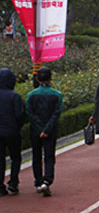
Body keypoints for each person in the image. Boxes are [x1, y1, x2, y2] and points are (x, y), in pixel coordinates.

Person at [26, 67, 62, 197]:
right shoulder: (57, 95)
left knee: (36, 156)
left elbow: (30, 113)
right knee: (49, 156)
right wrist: (46, 129)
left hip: (35, 130)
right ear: (51, 78)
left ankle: (38, 181)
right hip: (50, 130)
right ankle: (47, 181)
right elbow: (56, 114)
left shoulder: (31, 95)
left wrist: (40, 128)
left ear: (37, 79)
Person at [0, 67, 25, 196]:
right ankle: (13, 182)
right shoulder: (14, 96)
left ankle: (0, 187)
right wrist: (17, 126)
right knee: (15, 157)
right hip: (12, 131)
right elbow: (20, 114)